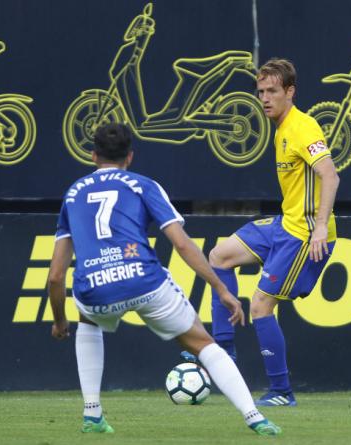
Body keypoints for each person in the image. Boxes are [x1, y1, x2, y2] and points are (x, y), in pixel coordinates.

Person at [47, 123, 281, 435]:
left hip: (96, 288)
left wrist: (60, 321)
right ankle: (255, 417)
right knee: (202, 342)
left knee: (87, 319)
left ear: (92, 155)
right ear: (130, 157)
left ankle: (92, 413)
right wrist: (220, 287)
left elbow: (55, 277)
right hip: (144, 281)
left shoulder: (73, 194)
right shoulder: (142, 185)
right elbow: (182, 244)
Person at [205, 58, 339, 407]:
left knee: (261, 306)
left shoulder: (303, 127)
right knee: (218, 256)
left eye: (272, 91)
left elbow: (330, 174)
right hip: (285, 223)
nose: (264, 98)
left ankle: (282, 392)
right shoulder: (280, 128)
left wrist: (321, 226)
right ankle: (225, 354)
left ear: (290, 92)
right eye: (260, 91)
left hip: (305, 234)